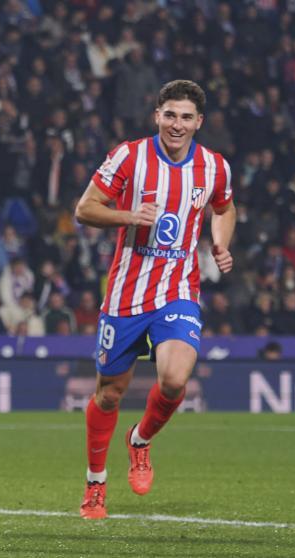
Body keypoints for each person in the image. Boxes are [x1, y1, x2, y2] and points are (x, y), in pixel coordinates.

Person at [73, 79, 235, 519]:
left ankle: (140, 440)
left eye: (186, 117)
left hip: (178, 289)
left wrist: (220, 243)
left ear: (199, 122)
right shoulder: (129, 156)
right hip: (126, 293)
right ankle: (95, 483)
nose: (176, 125)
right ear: (156, 116)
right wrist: (127, 215)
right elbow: (85, 208)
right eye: (170, 115)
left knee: (174, 379)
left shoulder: (214, 167)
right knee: (109, 394)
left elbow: (224, 207)